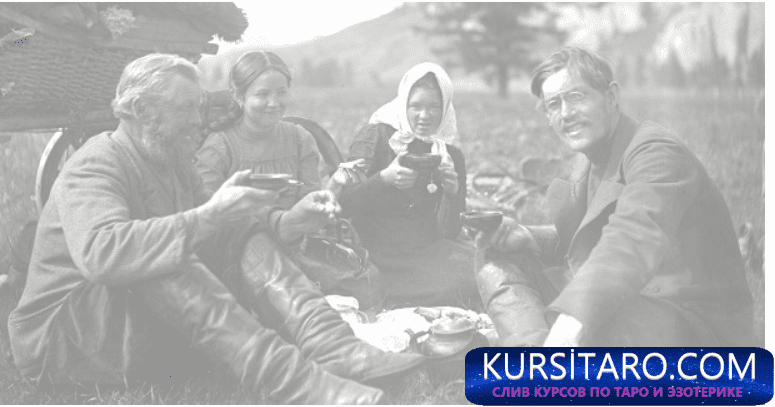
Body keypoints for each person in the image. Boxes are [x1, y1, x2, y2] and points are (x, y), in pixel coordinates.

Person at [7, 53, 422, 404]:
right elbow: (103, 254)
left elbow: (219, 231)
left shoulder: (171, 161)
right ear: (142, 111)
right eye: (186, 108)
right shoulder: (96, 164)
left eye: (199, 107)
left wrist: (234, 212)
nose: (198, 120)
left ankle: (333, 346)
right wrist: (210, 215)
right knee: (161, 257)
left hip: (126, 328)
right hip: (64, 340)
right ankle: (294, 382)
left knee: (238, 230)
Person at [475, 47, 754, 347]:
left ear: (611, 96)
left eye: (576, 97)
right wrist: (531, 238)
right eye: (553, 104)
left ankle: (551, 355)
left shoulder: (656, 151)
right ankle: (535, 356)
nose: (566, 114)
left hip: (690, 322)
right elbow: (592, 238)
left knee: (591, 317)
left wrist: (572, 322)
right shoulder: (590, 160)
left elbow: (629, 239)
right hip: (632, 303)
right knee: (497, 257)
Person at [339, 62, 476, 307]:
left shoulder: (449, 155)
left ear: (445, 107)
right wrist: (383, 179)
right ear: (404, 104)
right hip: (377, 251)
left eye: (434, 107)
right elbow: (343, 203)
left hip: (426, 249)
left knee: (480, 272)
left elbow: (450, 231)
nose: (425, 115)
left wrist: (452, 193)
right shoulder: (377, 136)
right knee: (454, 284)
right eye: (416, 106)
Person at [196, 51, 363, 208]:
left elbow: (309, 208)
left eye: (281, 92)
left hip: (295, 229)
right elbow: (209, 212)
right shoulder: (219, 147)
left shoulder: (299, 139)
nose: (274, 103)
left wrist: (334, 185)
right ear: (238, 96)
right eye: (262, 94)